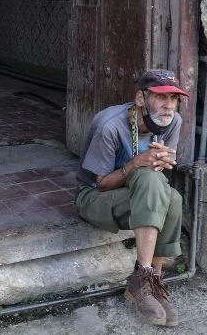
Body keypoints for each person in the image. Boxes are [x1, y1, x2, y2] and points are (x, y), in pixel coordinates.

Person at [74, 69, 188, 327]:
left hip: (137, 196)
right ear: (140, 99)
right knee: (147, 177)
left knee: (174, 198)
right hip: (93, 197)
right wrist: (136, 164)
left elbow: (161, 175)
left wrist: (161, 162)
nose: (168, 105)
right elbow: (101, 184)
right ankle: (142, 279)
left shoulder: (173, 121)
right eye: (161, 97)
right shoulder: (110, 125)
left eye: (174, 98)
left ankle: (153, 282)